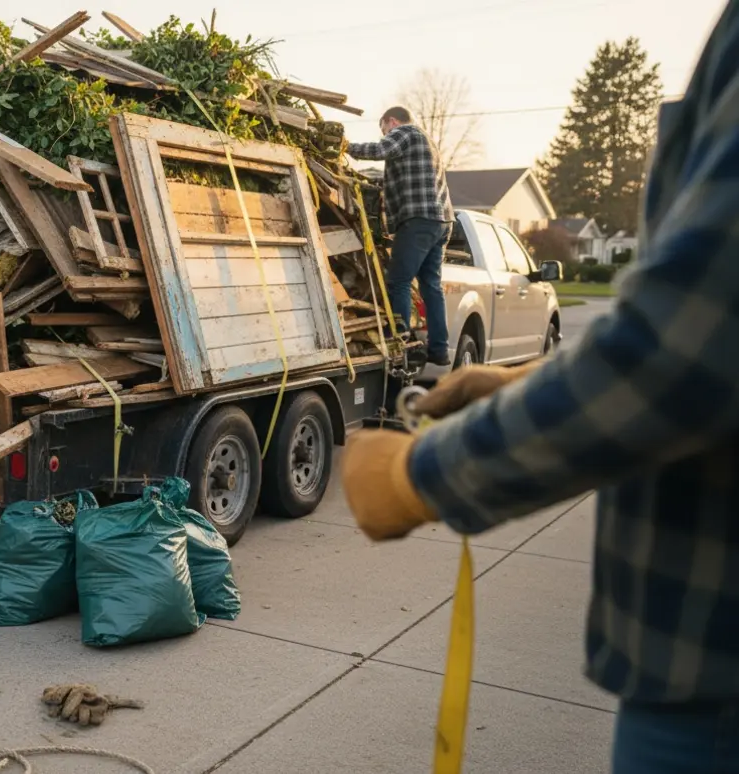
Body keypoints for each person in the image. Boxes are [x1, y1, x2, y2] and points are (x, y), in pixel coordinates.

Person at [340, 2, 739, 771]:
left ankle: (412, 333)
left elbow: (690, 342)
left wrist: (423, 474)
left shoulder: (402, 137)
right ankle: (421, 337)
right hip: (704, 661)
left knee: (403, 279)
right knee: (419, 287)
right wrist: (530, 382)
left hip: (711, 674)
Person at [346, 106, 454, 366]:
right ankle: (439, 349)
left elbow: (379, 150)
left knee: (399, 281)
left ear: (390, 121)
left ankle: (399, 338)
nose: (384, 135)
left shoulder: (406, 132)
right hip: (441, 221)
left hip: (419, 220)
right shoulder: (427, 140)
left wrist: (344, 146)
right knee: (431, 286)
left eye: (383, 130)